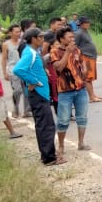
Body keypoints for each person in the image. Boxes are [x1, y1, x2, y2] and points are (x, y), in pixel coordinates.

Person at [13, 27, 62, 165]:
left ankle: (46, 155)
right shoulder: (30, 53)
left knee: (43, 125)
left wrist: (40, 73)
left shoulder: (33, 52)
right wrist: (34, 81)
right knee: (46, 126)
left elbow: (31, 68)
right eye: (40, 37)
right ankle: (49, 158)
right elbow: (18, 69)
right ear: (33, 39)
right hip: (39, 94)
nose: (42, 39)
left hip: (40, 94)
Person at [50, 26, 91, 157]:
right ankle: (61, 146)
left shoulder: (77, 50)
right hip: (65, 91)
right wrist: (67, 52)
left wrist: (84, 70)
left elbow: (82, 62)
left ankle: (81, 143)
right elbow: (59, 68)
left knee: (82, 117)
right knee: (63, 120)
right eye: (70, 37)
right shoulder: (55, 52)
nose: (73, 39)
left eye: (73, 37)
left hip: (80, 88)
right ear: (62, 39)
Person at [1, 24, 30, 119]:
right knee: (17, 90)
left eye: (19, 31)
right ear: (10, 33)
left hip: (24, 69)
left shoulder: (23, 43)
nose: (18, 33)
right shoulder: (6, 44)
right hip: (13, 70)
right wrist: (4, 72)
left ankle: (26, 110)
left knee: (27, 90)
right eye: (16, 32)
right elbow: (4, 59)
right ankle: (16, 107)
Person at [74, 16, 102, 102]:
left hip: (91, 57)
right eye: (86, 23)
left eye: (88, 22)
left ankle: (93, 95)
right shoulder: (78, 33)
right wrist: (78, 57)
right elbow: (75, 46)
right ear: (81, 24)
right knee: (87, 78)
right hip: (85, 57)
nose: (88, 24)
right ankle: (91, 97)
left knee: (90, 78)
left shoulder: (85, 31)